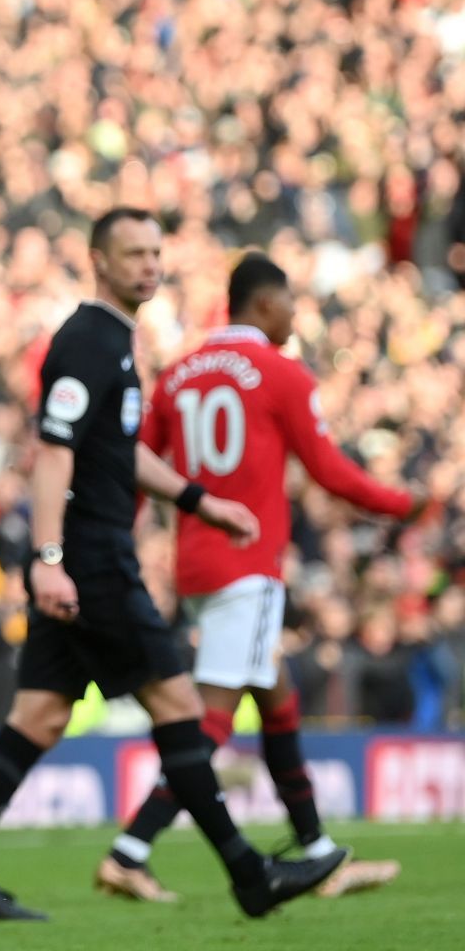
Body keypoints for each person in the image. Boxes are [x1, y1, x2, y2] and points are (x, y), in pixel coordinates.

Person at [0, 210, 349, 922]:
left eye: (156, 253)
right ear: (99, 260)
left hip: (87, 557)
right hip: (90, 560)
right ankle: (249, 873)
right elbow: (54, 452)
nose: (149, 265)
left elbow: (117, 451)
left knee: (39, 713)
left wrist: (197, 499)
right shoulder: (88, 340)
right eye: (133, 254)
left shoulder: (119, 342)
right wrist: (49, 559)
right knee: (182, 705)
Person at [98, 253, 417, 902]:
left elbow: (139, 464)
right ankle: (130, 851)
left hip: (196, 562)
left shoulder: (180, 372)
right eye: (290, 303)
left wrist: (120, 537)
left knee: (276, 698)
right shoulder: (281, 373)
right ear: (264, 305)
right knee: (211, 719)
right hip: (247, 562)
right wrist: (405, 504)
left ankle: (321, 851)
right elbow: (329, 468)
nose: (295, 314)